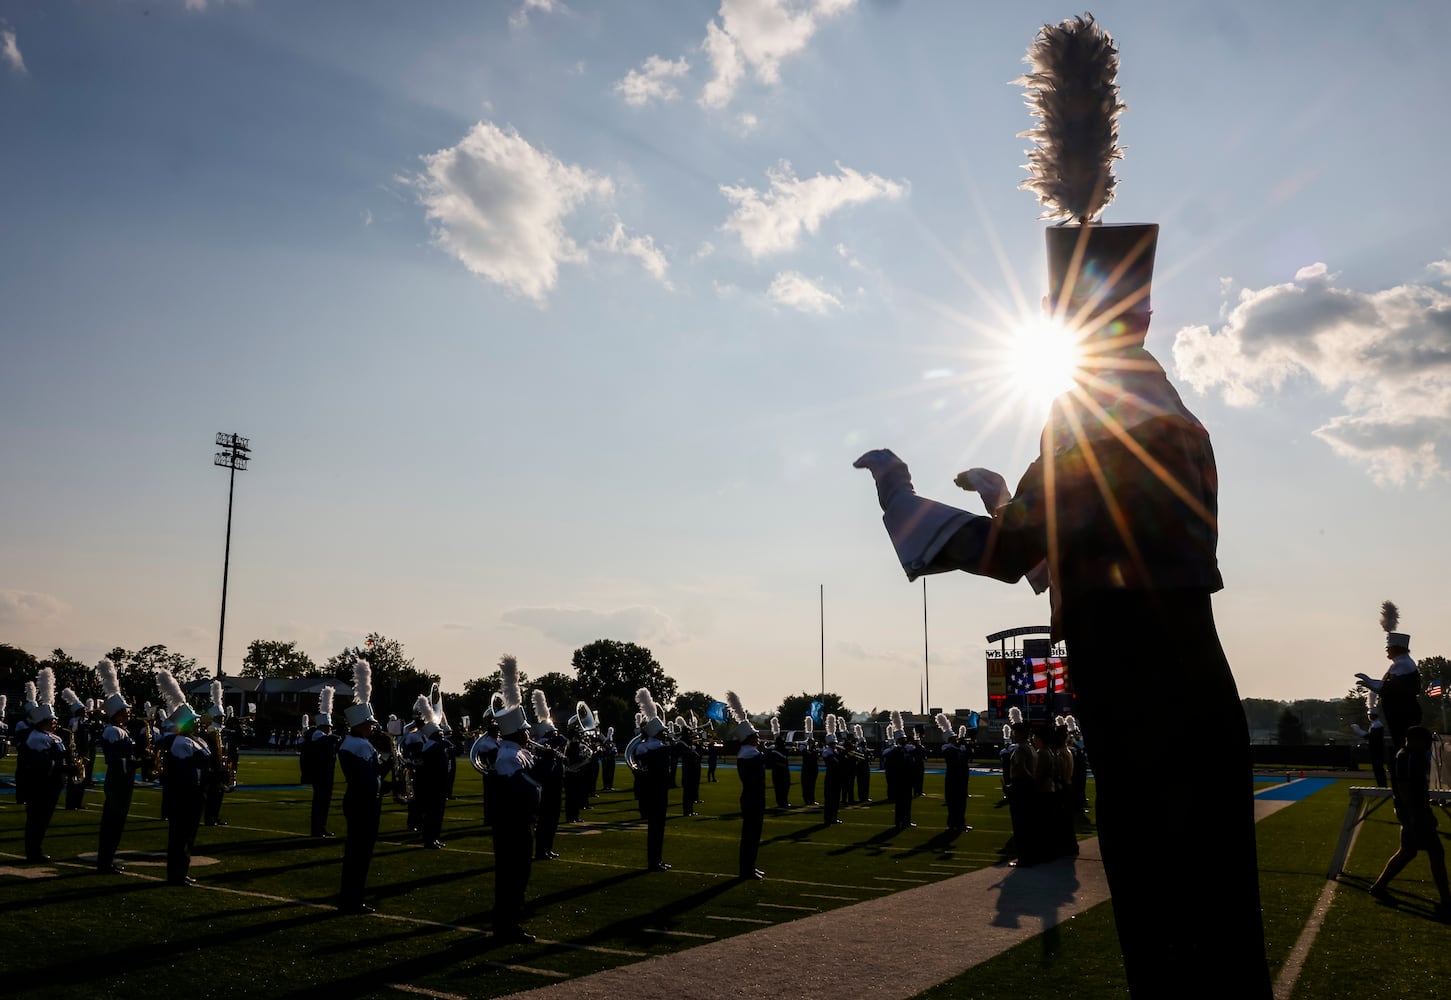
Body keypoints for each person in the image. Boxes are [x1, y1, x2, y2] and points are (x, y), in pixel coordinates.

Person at [853, 218, 1269, 993]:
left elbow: (1016, 552)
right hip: (1193, 683)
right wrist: (1007, 493)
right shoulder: (1172, 414)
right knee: (1217, 919)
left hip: (1135, 692)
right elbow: (1099, 553)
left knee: (1161, 924)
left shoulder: (1086, 411)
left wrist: (901, 502)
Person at [1369, 726, 1451, 917]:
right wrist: (1416, 814)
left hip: (1413, 812)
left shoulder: (1406, 755)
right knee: (1435, 853)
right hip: (1415, 813)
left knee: (1408, 851)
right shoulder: (1408, 757)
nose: (1428, 745)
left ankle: (1379, 886)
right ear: (1414, 740)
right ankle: (1446, 899)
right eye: (1425, 741)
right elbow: (1406, 788)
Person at [490, 657, 541, 943]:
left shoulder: (518, 751)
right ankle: (506, 925)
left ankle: (511, 922)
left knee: (519, 875)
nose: (529, 732)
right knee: (511, 876)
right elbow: (524, 788)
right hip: (512, 826)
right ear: (515, 731)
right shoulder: (508, 755)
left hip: (522, 823)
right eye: (525, 729)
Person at [338, 661, 384, 914]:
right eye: (369, 723)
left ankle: (353, 897)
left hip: (362, 800)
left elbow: (371, 775)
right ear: (360, 724)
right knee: (358, 854)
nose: (372, 727)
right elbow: (365, 778)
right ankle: (351, 899)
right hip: (362, 802)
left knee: (359, 853)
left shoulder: (357, 743)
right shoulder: (358, 745)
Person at [17, 672, 66, 863]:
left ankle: (36, 849)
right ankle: (33, 851)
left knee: (43, 819)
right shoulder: (37, 737)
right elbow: (42, 763)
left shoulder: (52, 737)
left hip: (51, 784)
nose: (55, 723)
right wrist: (61, 766)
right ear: (43, 722)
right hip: (40, 785)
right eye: (51, 721)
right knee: (37, 820)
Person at [96, 659, 137, 874]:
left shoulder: (121, 730)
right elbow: (117, 760)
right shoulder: (113, 731)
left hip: (123, 779)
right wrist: (135, 763)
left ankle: (107, 859)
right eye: (124, 711)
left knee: (117, 821)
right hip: (118, 780)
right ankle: (104, 861)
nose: (128, 713)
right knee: (113, 821)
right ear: (117, 713)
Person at [727, 691, 766, 879]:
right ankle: (747, 869)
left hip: (751, 797)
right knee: (751, 834)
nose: (758, 738)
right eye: (755, 735)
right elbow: (764, 760)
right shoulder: (750, 754)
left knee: (752, 835)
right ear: (749, 738)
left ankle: (750, 866)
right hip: (753, 798)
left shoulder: (749, 752)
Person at [634, 688, 672, 872]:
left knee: (657, 829)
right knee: (656, 829)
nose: (665, 734)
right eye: (662, 732)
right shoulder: (657, 749)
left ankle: (656, 859)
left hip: (652, 791)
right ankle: (654, 861)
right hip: (657, 792)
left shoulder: (646, 748)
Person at [301, 690, 341, 838]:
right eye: (329, 727)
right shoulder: (318, 736)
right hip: (320, 775)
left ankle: (321, 827)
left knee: (324, 802)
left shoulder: (323, 736)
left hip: (325, 774)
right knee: (320, 803)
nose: (331, 730)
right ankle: (317, 828)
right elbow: (327, 740)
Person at [1351, 706, 1388, 789]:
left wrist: (1359, 731)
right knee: (1377, 768)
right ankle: (1381, 785)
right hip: (1376, 749)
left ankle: (1382, 785)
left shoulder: (1377, 725)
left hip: (1377, 750)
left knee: (1378, 768)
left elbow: (1371, 737)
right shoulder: (1375, 724)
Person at [767, 727, 792, 809]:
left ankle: (784, 801)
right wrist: (781, 765)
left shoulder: (783, 750)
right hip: (778, 772)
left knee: (786, 787)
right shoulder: (774, 752)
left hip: (785, 772)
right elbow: (772, 763)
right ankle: (781, 802)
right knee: (779, 788)